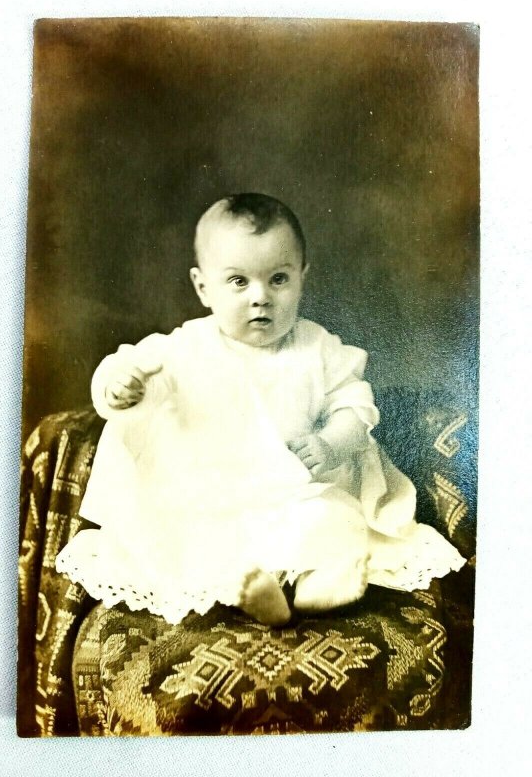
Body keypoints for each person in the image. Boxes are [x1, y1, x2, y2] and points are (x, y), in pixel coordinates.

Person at [56, 193, 465, 626]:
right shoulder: (186, 347)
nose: (261, 297)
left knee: (338, 519)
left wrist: (330, 443)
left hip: (293, 495)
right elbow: (126, 368)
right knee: (200, 544)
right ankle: (260, 594)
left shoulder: (317, 347)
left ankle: (314, 588)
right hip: (213, 499)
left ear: (302, 278)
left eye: (278, 279)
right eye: (238, 281)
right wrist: (119, 386)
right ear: (203, 288)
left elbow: (356, 407)